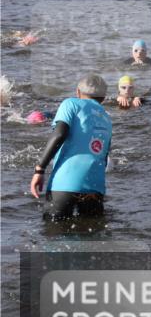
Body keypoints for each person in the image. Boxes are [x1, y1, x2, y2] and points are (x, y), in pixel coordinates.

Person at [30, 74, 113, 220]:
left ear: (78, 92)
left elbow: (59, 134)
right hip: (95, 188)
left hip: (65, 183)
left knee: (53, 236)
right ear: (104, 98)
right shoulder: (107, 118)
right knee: (91, 238)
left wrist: (39, 169)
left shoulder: (71, 104)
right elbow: (104, 157)